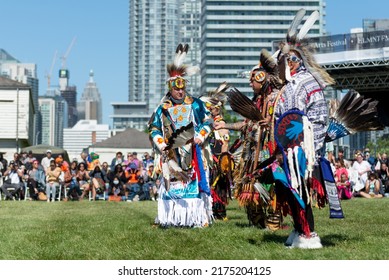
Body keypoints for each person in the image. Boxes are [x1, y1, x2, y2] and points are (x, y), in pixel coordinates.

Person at [214, 50, 284, 229]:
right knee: (251, 188)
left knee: (271, 186)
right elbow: (245, 125)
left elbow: (286, 121)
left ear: (262, 78)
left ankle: (274, 217)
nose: (250, 82)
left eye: (252, 79)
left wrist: (270, 123)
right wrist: (225, 126)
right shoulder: (257, 102)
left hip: (270, 152)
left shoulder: (277, 98)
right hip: (253, 154)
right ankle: (258, 219)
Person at [148, 43, 213, 227]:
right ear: (170, 88)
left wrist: (201, 135)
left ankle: (197, 217)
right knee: (173, 181)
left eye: (182, 86)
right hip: (171, 152)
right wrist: (160, 143)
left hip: (193, 150)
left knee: (194, 180)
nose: (180, 90)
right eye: (176, 88)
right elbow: (153, 128)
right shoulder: (163, 108)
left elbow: (208, 121)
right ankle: (171, 218)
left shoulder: (196, 104)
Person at [201, 82, 233, 220]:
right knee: (209, 185)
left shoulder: (221, 124)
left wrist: (223, 161)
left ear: (216, 109)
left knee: (218, 187)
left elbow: (225, 143)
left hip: (218, 159)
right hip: (209, 158)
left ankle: (219, 212)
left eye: (210, 108)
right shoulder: (209, 123)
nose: (208, 110)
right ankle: (209, 211)